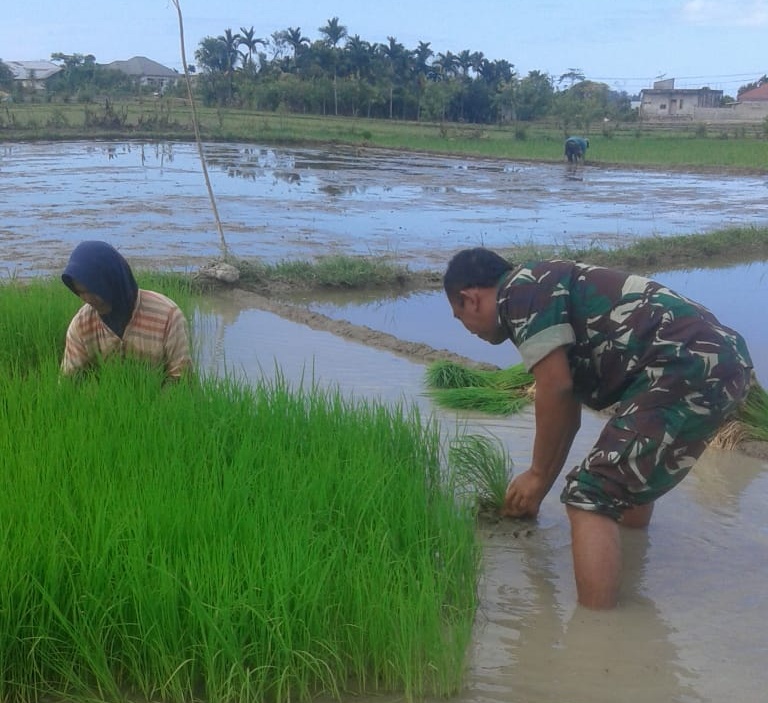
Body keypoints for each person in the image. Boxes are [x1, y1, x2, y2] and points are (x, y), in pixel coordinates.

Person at [443, 247, 753, 609]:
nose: (466, 329)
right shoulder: (543, 286)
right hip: (720, 359)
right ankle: (628, 550)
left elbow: (554, 388)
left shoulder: (519, 294)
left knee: (588, 497)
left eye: (458, 317)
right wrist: (539, 486)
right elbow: (568, 415)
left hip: (685, 365)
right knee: (621, 477)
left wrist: (538, 475)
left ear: (470, 299)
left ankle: (598, 634)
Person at [61, 240, 192, 383]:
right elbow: (69, 382)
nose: (88, 299)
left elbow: (181, 379)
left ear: (112, 281)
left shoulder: (168, 316)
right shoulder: (81, 325)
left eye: (94, 290)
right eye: (80, 292)